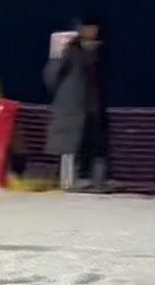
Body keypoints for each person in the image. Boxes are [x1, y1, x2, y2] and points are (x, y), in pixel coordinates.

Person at [44, 18, 109, 190]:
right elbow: (51, 78)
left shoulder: (101, 52)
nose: (92, 32)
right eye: (88, 28)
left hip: (94, 109)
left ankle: (98, 182)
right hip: (73, 109)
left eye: (94, 28)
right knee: (69, 146)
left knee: (96, 147)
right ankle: (68, 182)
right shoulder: (70, 52)